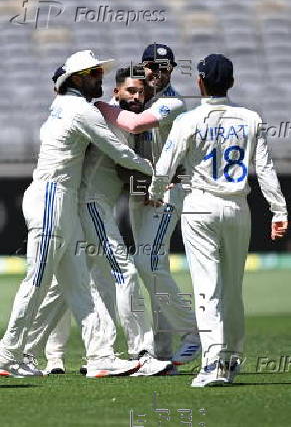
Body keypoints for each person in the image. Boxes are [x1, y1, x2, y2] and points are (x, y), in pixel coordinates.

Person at [0, 50, 153, 378]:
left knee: (78, 284)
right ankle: (7, 354)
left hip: (61, 200)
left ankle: (100, 356)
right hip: (51, 198)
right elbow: (119, 152)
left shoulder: (62, 105)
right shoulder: (79, 110)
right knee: (38, 280)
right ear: (78, 79)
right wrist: (156, 170)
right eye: (95, 74)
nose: (101, 78)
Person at [147, 53, 289, 387]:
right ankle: (231, 360)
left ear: (200, 82)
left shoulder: (188, 120)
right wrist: (279, 211)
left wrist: (155, 190)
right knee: (232, 290)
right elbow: (265, 169)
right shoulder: (251, 118)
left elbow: (166, 166)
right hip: (238, 207)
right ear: (232, 82)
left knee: (207, 289)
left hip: (200, 206)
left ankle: (212, 366)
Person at [96, 44, 201, 363]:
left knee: (147, 264)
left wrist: (99, 106)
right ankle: (163, 351)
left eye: (165, 68)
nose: (157, 72)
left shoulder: (173, 101)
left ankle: (194, 333)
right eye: (152, 66)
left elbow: (136, 125)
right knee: (155, 267)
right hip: (141, 192)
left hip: (166, 191)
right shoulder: (138, 94)